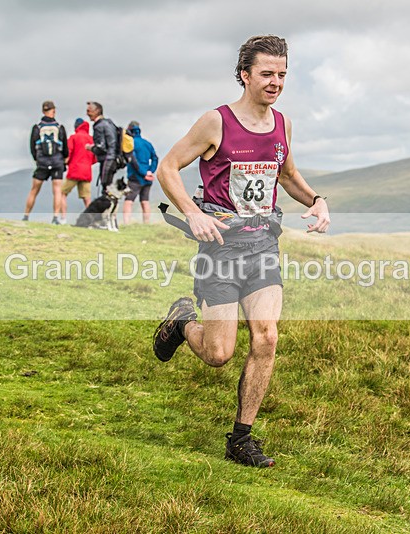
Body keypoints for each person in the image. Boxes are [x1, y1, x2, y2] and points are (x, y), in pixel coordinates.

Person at [153, 35, 330, 468]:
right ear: (244, 75)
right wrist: (192, 212)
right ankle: (181, 324)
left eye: (282, 74)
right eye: (267, 74)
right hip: (220, 249)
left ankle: (241, 439)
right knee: (219, 354)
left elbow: (286, 174)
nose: (276, 83)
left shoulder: (283, 124)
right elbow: (168, 167)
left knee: (267, 337)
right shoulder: (216, 122)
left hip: (263, 246)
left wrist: (316, 200)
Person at [24, 100, 69, 224]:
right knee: (57, 190)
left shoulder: (37, 128)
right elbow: (65, 147)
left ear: (43, 111)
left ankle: (26, 216)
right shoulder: (60, 127)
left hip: (42, 162)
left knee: (34, 190)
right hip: (57, 162)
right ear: (54, 111)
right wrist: (64, 158)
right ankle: (55, 217)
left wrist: (37, 159)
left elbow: (32, 146)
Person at [122, 121, 158, 224]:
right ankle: (146, 224)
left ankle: (126, 224)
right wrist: (150, 171)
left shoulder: (131, 143)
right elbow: (155, 158)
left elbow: (133, 160)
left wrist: (143, 173)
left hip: (135, 177)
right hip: (148, 178)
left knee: (128, 201)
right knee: (145, 201)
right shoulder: (147, 144)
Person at [61, 118, 96, 222]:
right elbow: (95, 157)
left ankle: (63, 218)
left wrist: (65, 162)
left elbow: (68, 153)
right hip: (86, 172)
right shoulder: (91, 139)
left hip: (74, 170)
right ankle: (92, 220)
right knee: (87, 198)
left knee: (62, 193)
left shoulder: (73, 138)